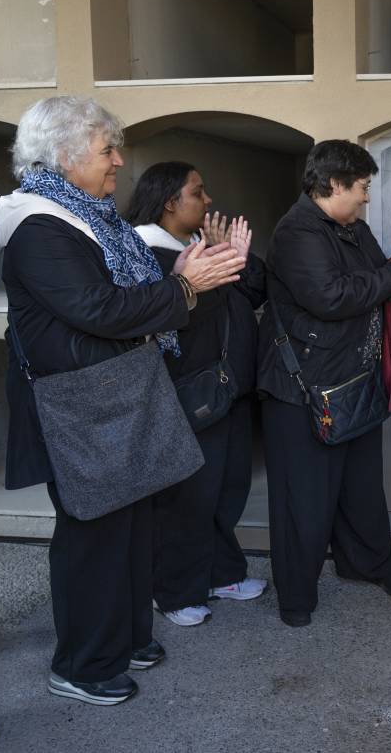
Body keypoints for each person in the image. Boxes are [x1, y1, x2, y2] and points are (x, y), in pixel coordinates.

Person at [0, 97, 245, 705]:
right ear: (64, 155)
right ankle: (82, 665)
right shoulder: (38, 226)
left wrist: (186, 280)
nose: (118, 162)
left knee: (130, 529)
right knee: (94, 538)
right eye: (107, 150)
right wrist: (183, 286)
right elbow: (99, 310)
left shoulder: (90, 217)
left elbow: (133, 300)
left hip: (117, 394)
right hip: (79, 404)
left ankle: (125, 639)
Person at [256, 140, 391, 628]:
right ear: (334, 184)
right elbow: (332, 298)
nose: (366, 197)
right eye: (361, 187)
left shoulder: (352, 228)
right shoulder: (297, 232)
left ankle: (369, 563)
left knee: (361, 486)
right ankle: (297, 596)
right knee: (304, 498)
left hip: (355, 375)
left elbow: (378, 279)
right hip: (304, 388)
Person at [127, 162, 268, 627]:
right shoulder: (145, 254)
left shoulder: (196, 247)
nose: (208, 201)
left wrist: (234, 258)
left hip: (227, 390)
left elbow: (253, 294)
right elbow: (172, 320)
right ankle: (174, 591)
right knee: (187, 499)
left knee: (226, 490)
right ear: (170, 202)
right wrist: (209, 270)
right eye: (198, 192)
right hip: (187, 392)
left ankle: (220, 573)